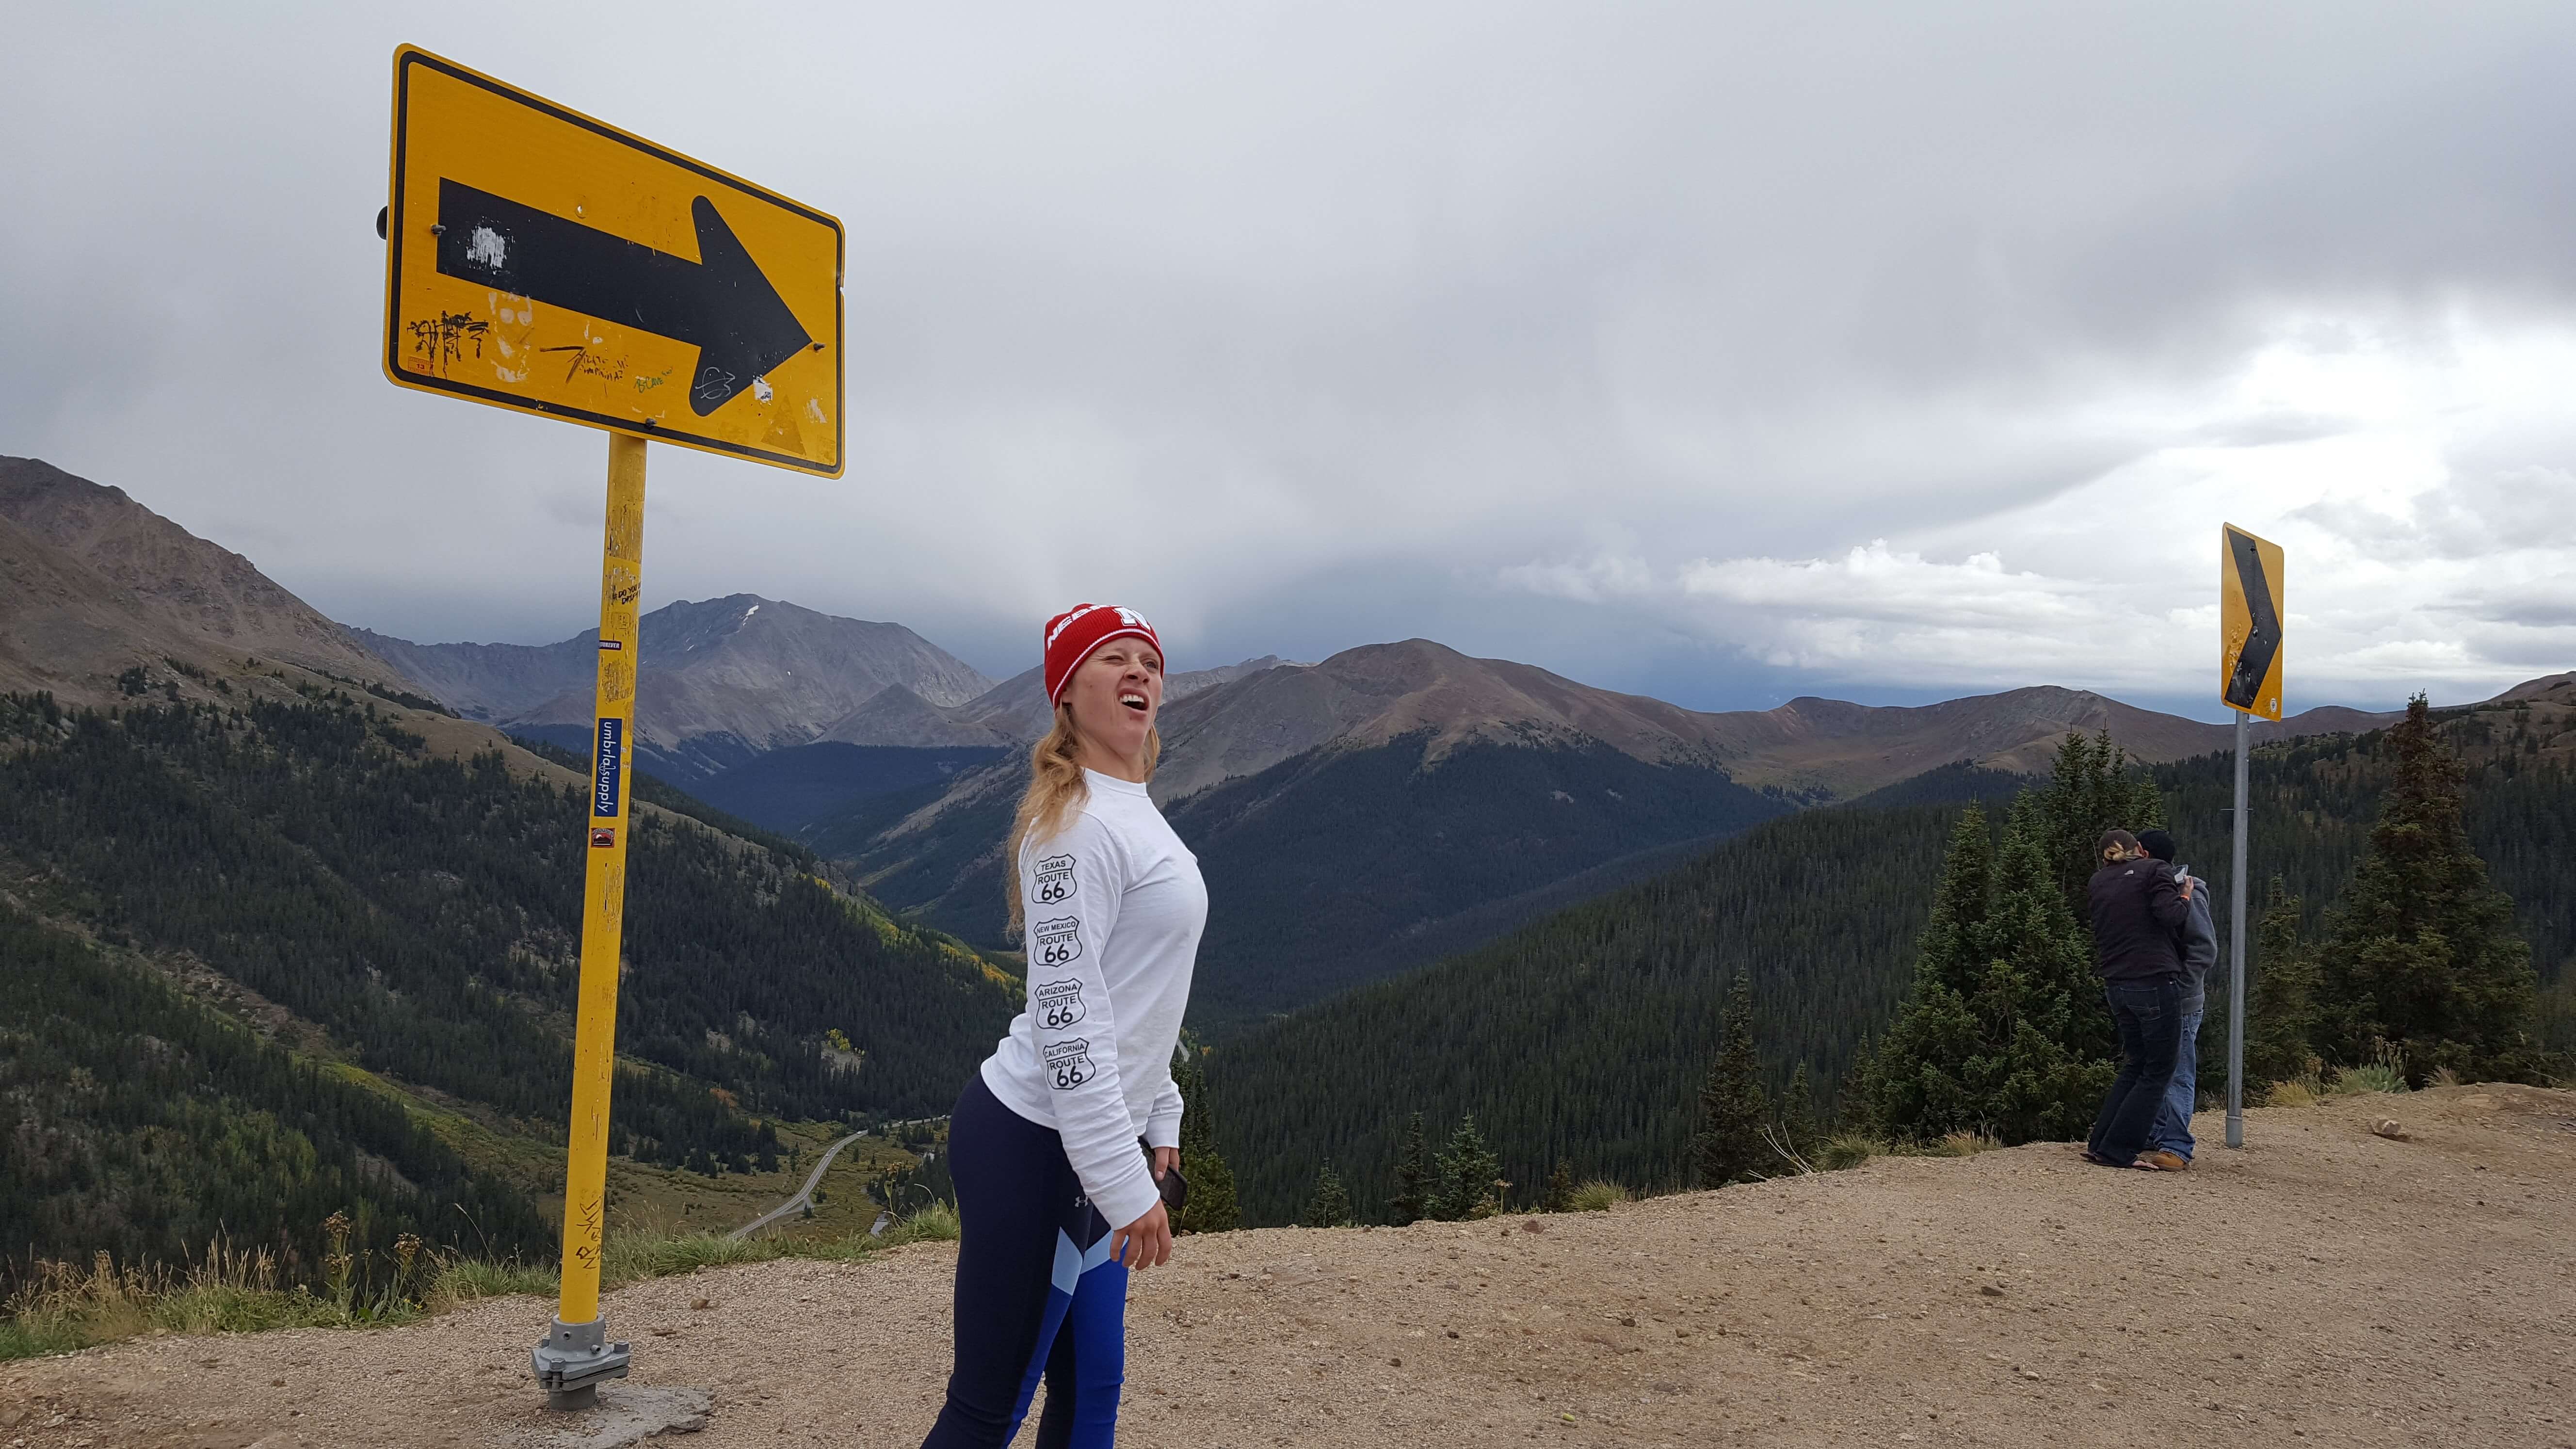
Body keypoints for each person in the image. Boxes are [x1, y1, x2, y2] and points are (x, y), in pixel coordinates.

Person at [920, 604, 1207, 1449]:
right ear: (1067, 696)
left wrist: (1162, 1114)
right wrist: (1125, 1184)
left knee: (1090, 1396)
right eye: (1112, 659)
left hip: (1089, 1139)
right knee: (988, 1407)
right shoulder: (1075, 829)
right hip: (1038, 1143)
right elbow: (1069, 1020)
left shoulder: (1130, 805)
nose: (1138, 674)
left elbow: (1140, 996)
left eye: (1149, 662)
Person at [2082, 828, 2193, 1171]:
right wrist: (2185, 896)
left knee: (2135, 1064)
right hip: (2154, 979)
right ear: (2140, 851)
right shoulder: (2156, 870)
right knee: (2159, 1069)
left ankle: (2102, 1143)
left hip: (2117, 983)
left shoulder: (2098, 882)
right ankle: (2119, 1149)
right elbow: (2171, 916)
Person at [2136, 827, 2218, 1170]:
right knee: (2152, 1068)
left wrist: (2177, 987)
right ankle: (2156, 1132)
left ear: (2145, 854)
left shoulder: (2188, 894)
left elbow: (2204, 950)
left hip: (2179, 1000)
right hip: (2150, 996)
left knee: (2178, 1071)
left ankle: (2176, 1147)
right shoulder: (2151, 890)